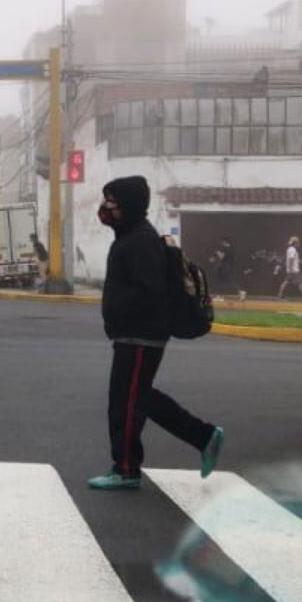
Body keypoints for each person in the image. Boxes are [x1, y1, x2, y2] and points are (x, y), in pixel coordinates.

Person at [88, 175, 224, 491]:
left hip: (140, 336)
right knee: (138, 399)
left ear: (130, 206)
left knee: (125, 403)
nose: (106, 208)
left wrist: (120, 311)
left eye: (113, 202)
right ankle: (202, 438)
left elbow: (149, 291)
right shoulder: (131, 236)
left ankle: (125, 469)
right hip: (133, 336)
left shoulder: (140, 240)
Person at [277, 235, 302, 299]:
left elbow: (295, 259)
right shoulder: (293, 249)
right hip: (294, 270)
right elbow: (291, 259)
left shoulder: (290, 249)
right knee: (301, 283)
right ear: (295, 243)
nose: (299, 243)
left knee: (286, 282)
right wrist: (291, 270)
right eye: (298, 242)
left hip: (291, 270)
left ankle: (279, 295)